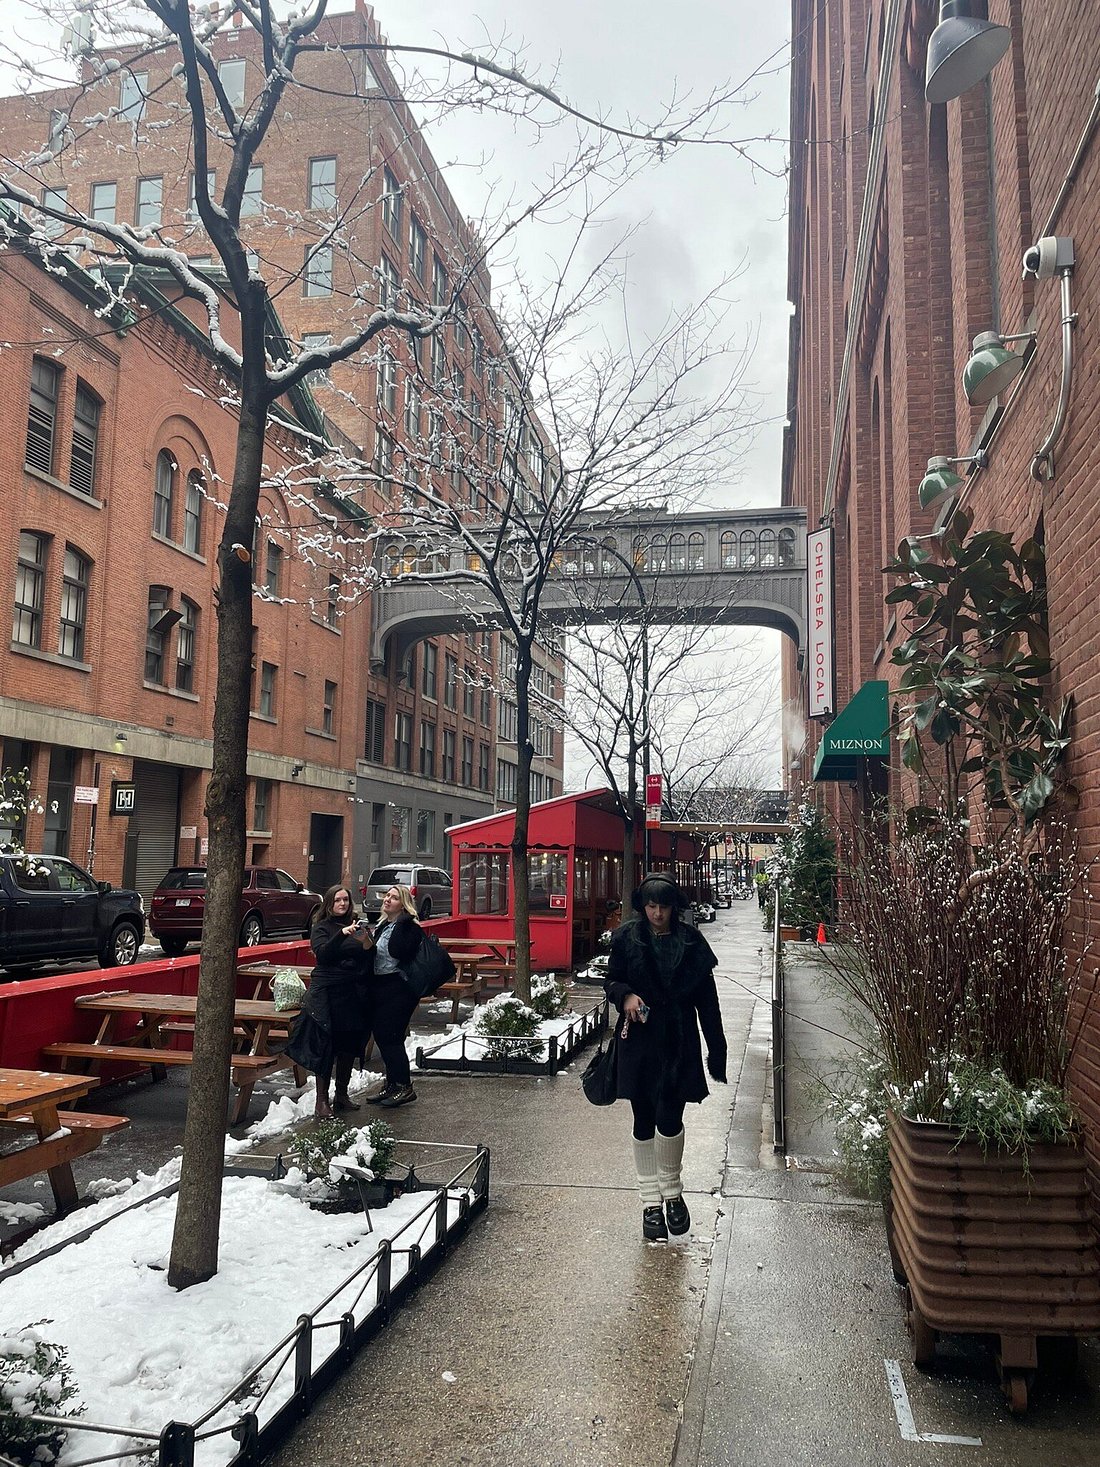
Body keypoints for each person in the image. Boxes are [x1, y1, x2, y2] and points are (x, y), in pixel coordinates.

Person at [603, 872, 727, 1242]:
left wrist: (716, 1047)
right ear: (643, 906)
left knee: (670, 1118)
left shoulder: (691, 942)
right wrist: (625, 995)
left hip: (678, 1039)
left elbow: (708, 1002)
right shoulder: (627, 937)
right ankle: (650, 1203)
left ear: (675, 906)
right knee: (643, 1117)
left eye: (663, 906)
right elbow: (611, 980)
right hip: (640, 1038)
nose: (657, 913)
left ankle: (672, 1193)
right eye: (651, 906)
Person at [290, 884, 372, 1120]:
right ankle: (321, 1101)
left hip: (351, 993)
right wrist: (341, 935)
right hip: (328, 994)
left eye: (346, 899)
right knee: (326, 1047)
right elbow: (323, 954)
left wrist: (366, 941)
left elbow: (368, 954)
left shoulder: (357, 925)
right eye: (338, 900)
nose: (343, 904)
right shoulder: (321, 927)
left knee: (348, 1046)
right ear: (329, 903)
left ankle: (342, 1095)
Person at [365, 883, 426, 1108]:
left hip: (400, 987)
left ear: (404, 905)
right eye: (386, 896)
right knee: (382, 1036)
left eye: (394, 897)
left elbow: (400, 952)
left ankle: (404, 1086)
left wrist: (401, 923)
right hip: (380, 985)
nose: (387, 900)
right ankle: (391, 1084)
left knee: (391, 1036)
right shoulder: (382, 926)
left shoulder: (410, 927)